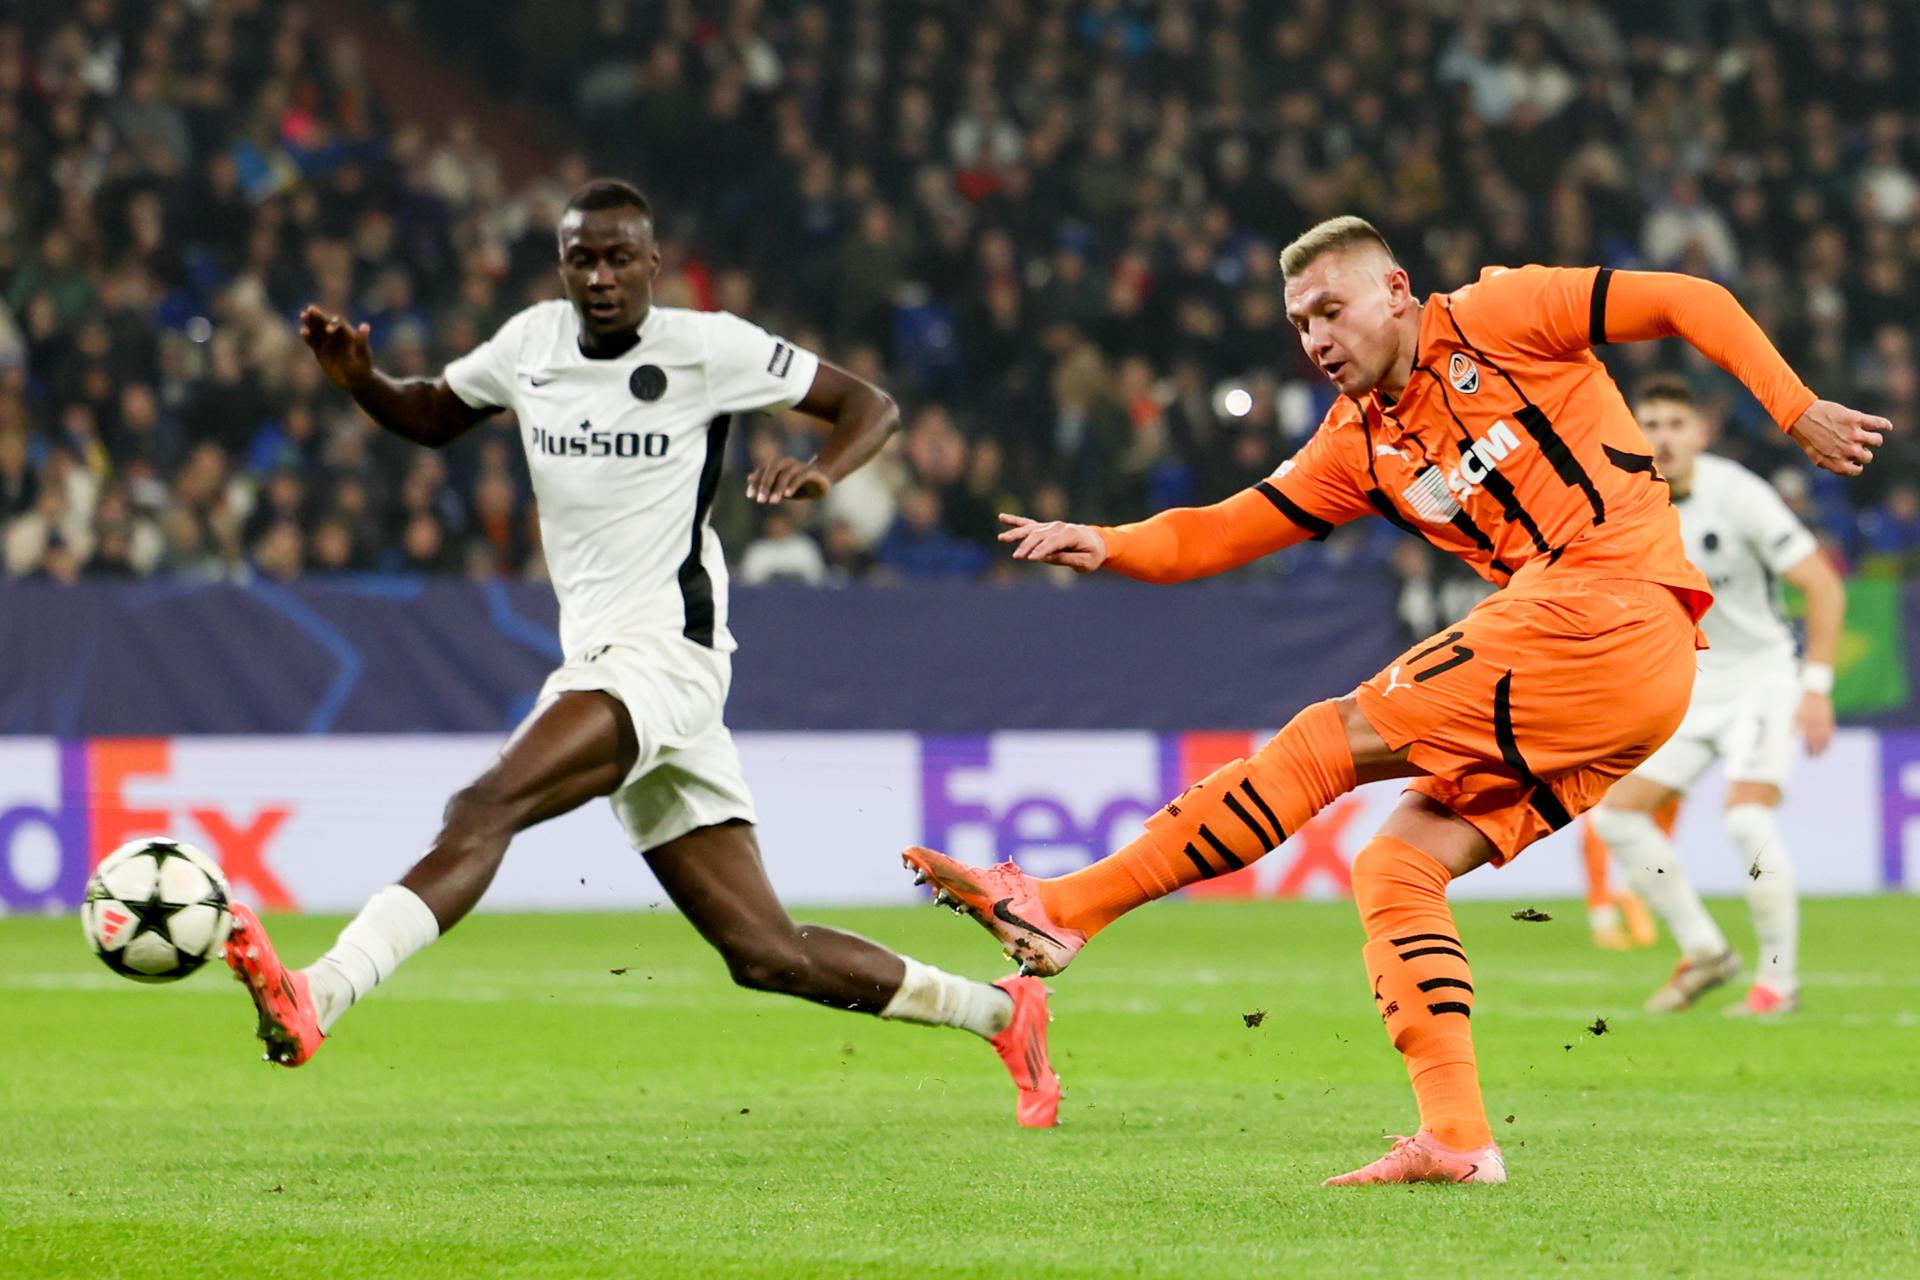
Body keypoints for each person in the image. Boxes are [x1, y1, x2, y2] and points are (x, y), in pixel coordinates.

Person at [901, 216, 1888, 1183]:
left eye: (1331, 310)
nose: (1316, 338)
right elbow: (1220, 531)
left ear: (1396, 290)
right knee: (1397, 867)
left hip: (1612, 608)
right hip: (1609, 677)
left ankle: (1069, 906)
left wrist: (1793, 405)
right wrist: (1110, 542)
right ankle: (1457, 1135)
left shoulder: (1502, 314)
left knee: (1326, 738)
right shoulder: (1358, 444)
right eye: (1300, 323)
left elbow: (1685, 299)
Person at [223, 179, 1058, 1127]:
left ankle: (322, 992)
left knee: (483, 807)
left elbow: (870, 404)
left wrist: (823, 471)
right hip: (609, 660)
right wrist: (363, 383)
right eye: (582, 259)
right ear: (561, 267)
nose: (601, 276)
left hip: (666, 656)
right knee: (765, 952)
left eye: (620, 258)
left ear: (655, 265)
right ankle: (1003, 1013)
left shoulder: (708, 347)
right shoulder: (530, 345)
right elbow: (432, 414)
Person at [1588, 376, 1846, 1017]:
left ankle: (1778, 984)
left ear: (1701, 433)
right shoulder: (1624, 504)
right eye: (1650, 425)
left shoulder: (1740, 495)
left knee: (1746, 820)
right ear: (1633, 436)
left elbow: (1822, 585)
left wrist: (1816, 688)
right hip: (1690, 685)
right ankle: (1705, 950)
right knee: (1614, 815)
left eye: (1676, 424)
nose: (1664, 438)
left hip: (1761, 677)